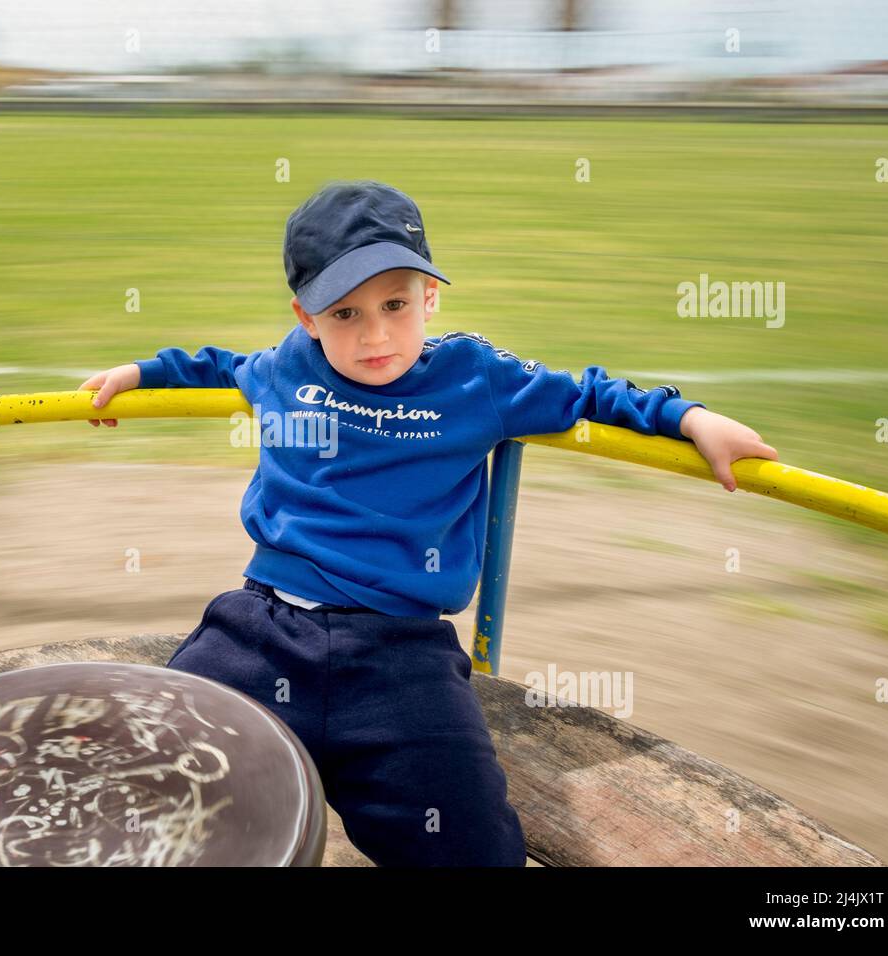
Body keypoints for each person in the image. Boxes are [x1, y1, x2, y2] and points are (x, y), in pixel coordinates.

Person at [76, 179, 778, 866]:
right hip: (261, 632)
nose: (376, 335)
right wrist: (138, 373)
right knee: (146, 792)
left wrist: (689, 417)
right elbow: (216, 367)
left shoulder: (478, 379)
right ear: (305, 317)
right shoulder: (286, 367)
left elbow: (589, 392)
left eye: (395, 304)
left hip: (399, 656)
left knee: (474, 848)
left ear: (430, 297)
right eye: (344, 314)